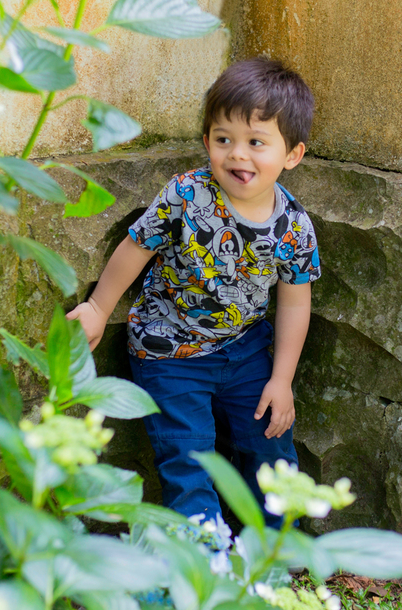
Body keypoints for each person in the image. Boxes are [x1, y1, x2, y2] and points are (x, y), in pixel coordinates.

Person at [67, 58, 321, 528]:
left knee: (269, 444)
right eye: (223, 139)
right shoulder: (186, 195)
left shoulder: (294, 227)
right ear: (207, 142)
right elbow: (136, 246)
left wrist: (281, 379)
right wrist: (99, 307)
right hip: (169, 350)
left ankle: (269, 552)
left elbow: (294, 301)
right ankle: (201, 557)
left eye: (256, 142)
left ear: (292, 154)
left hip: (246, 351)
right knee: (188, 456)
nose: (237, 155)